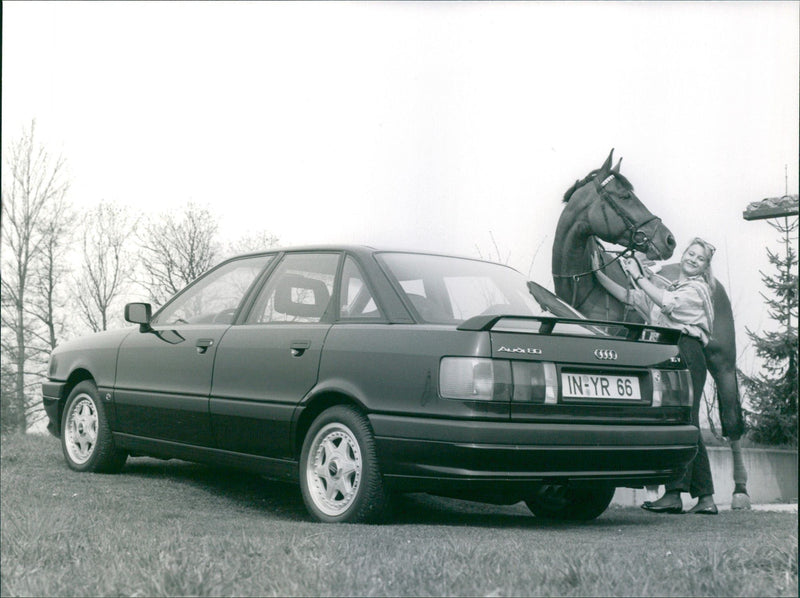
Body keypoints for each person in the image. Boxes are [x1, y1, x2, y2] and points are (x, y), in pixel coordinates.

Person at [591, 238, 718, 515]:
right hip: (674, 351)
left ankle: (675, 494)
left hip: (688, 351)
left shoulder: (697, 290)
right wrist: (600, 276)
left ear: (706, 267)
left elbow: (665, 302)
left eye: (700, 258)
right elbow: (634, 298)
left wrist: (638, 273)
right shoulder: (676, 287)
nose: (693, 259)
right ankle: (704, 497)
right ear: (684, 255)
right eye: (691, 253)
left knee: (683, 421)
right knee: (687, 421)